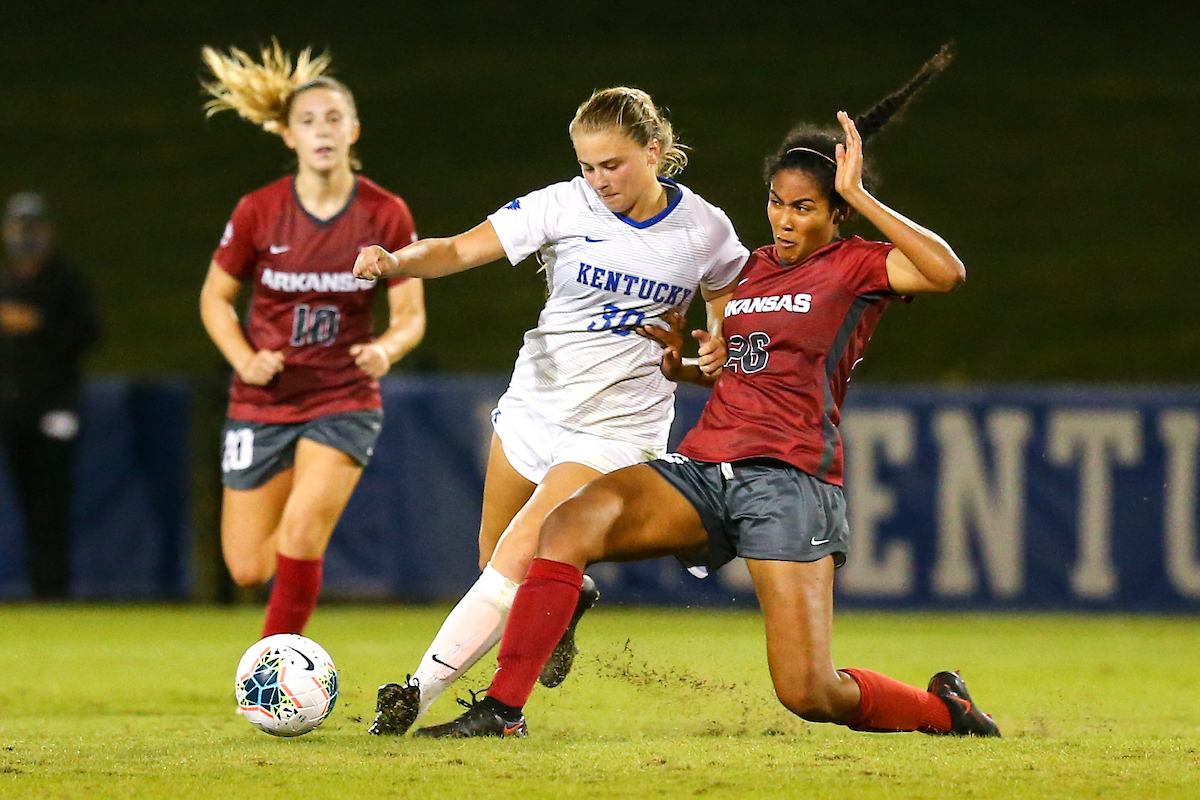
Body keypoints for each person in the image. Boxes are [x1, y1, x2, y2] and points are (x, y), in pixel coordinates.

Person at [413, 45, 1001, 741]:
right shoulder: (749, 270)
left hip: (788, 482)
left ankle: (945, 712)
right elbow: (735, 368)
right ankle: (503, 711)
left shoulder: (858, 267)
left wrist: (864, 197)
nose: (784, 221)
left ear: (838, 211)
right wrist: (683, 367)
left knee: (809, 691)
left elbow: (947, 273)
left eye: (804, 207)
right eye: (776, 204)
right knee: (567, 525)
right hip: (709, 470)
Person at [356, 86, 749, 735]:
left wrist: (714, 352)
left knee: (515, 556)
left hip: (617, 429)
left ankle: (412, 699)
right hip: (536, 404)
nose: (600, 180)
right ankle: (565, 602)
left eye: (613, 164)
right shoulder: (561, 205)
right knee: (493, 559)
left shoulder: (704, 230)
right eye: (589, 165)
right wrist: (396, 261)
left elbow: (728, 320)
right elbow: (456, 249)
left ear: (654, 152)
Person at [197, 41, 426, 637]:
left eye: (332, 119)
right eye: (307, 121)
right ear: (288, 136)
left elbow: (410, 315)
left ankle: (276, 671)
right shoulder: (259, 211)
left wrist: (385, 350)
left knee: (302, 531)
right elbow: (215, 300)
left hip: (342, 397)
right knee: (247, 566)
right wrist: (244, 360)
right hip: (264, 400)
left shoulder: (385, 214)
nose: (321, 131)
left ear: (353, 130)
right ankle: (291, 610)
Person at [0, 192, 101, 600]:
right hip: (13, 407)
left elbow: (87, 335)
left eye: (33, 229)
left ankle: (54, 590)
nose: (27, 237)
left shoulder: (66, 282)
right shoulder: (6, 282)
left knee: (52, 501)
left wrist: (37, 324)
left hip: (55, 407)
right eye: (20, 229)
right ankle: (40, 588)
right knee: (26, 501)